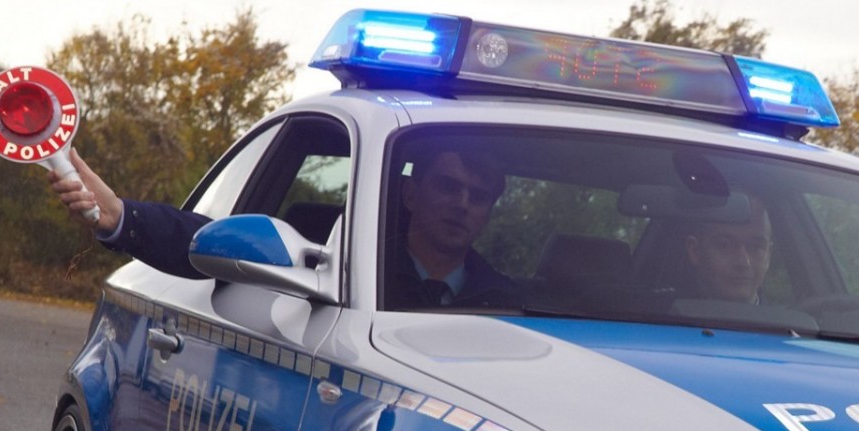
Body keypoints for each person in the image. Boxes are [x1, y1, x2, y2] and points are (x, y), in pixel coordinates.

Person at [47, 144, 515, 307]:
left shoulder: (507, 305)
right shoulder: (330, 273)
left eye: (479, 196)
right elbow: (200, 239)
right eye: (448, 187)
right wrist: (119, 217)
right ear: (411, 194)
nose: (462, 204)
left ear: (491, 209)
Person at [680, 194, 773, 303]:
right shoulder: (660, 315)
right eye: (725, 245)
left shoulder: (785, 319)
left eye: (756, 247)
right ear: (695, 252)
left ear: (768, 256)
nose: (743, 263)